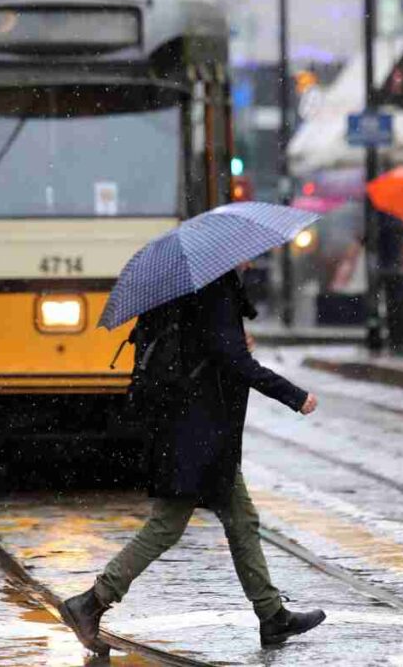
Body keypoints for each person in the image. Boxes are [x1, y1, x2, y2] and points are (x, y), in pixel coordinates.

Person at [59, 269, 325, 654]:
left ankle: (272, 615)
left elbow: (207, 349)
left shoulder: (198, 286)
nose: (251, 258)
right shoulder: (216, 289)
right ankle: (91, 602)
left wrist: (231, 343)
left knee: (241, 519)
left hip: (196, 430)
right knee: (167, 524)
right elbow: (232, 361)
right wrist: (293, 395)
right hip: (196, 434)